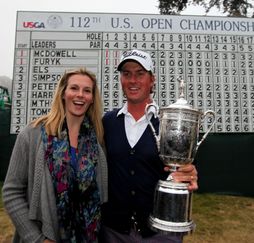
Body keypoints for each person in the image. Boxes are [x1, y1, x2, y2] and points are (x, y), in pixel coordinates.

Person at [100, 49, 198, 243]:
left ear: (152, 80)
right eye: (126, 74)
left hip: (160, 233)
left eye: (140, 73)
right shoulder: (107, 122)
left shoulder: (170, 122)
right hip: (113, 232)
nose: (132, 80)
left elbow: (185, 167)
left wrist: (189, 173)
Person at [2, 68, 108, 243]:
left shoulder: (97, 140)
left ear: (92, 98)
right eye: (74, 88)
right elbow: (11, 192)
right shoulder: (32, 134)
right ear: (63, 93)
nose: (80, 95)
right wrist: (37, 239)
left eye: (87, 90)